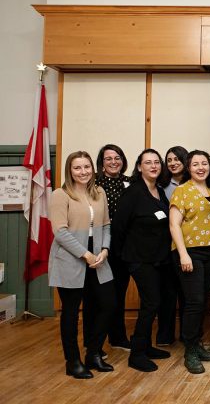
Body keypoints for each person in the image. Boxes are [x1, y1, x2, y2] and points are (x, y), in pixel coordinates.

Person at [48, 151, 115, 379]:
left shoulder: (99, 192)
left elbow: (106, 224)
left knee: (107, 304)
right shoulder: (60, 194)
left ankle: (93, 353)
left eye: (87, 167)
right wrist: (85, 254)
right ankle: (73, 361)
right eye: (77, 168)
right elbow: (60, 232)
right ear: (70, 170)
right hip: (71, 257)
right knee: (70, 312)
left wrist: (105, 249)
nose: (83, 172)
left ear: (93, 169)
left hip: (98, 256)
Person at [110, 149, 172, 372]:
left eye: (157, 162)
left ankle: (145, 346)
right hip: (138, 259)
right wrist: (121, 257)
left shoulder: (159, 191)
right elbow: (118, 227)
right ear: (139, 167)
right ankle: (136, 354)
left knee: (155, 302)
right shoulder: (133, 193)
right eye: (148, 163)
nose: (154, 166)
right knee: (151, 302)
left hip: (159, 259)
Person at [169, 150, 210, 374]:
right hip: (190, 252)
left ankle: (197, 344)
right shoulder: (182, 191)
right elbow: (174, 225)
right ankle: (190, 351)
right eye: (195, 164)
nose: (200, 167)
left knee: (202, 302)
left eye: (204, 163)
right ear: (188, 168)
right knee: (193, 301)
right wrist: (183, 254)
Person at [94, 144, 131, 352]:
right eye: (108, 158)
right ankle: (96, 344)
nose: (113, 162)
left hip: (123, 247)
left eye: (117, 157)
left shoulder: (130, 183)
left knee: (118, 293)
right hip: (99, 246)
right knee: (102, 296)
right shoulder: (94, 183)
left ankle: (118, 337)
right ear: (102, 162)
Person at [155, 145, 188, 346]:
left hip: (188, 246)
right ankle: (165, 336)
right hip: (165, 246)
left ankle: (188, 335)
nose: (173, 163)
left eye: (177, 159)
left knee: (187, 294)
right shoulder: (161, 186)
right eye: (169, 160)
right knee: (166, 294)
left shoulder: (194, 183)